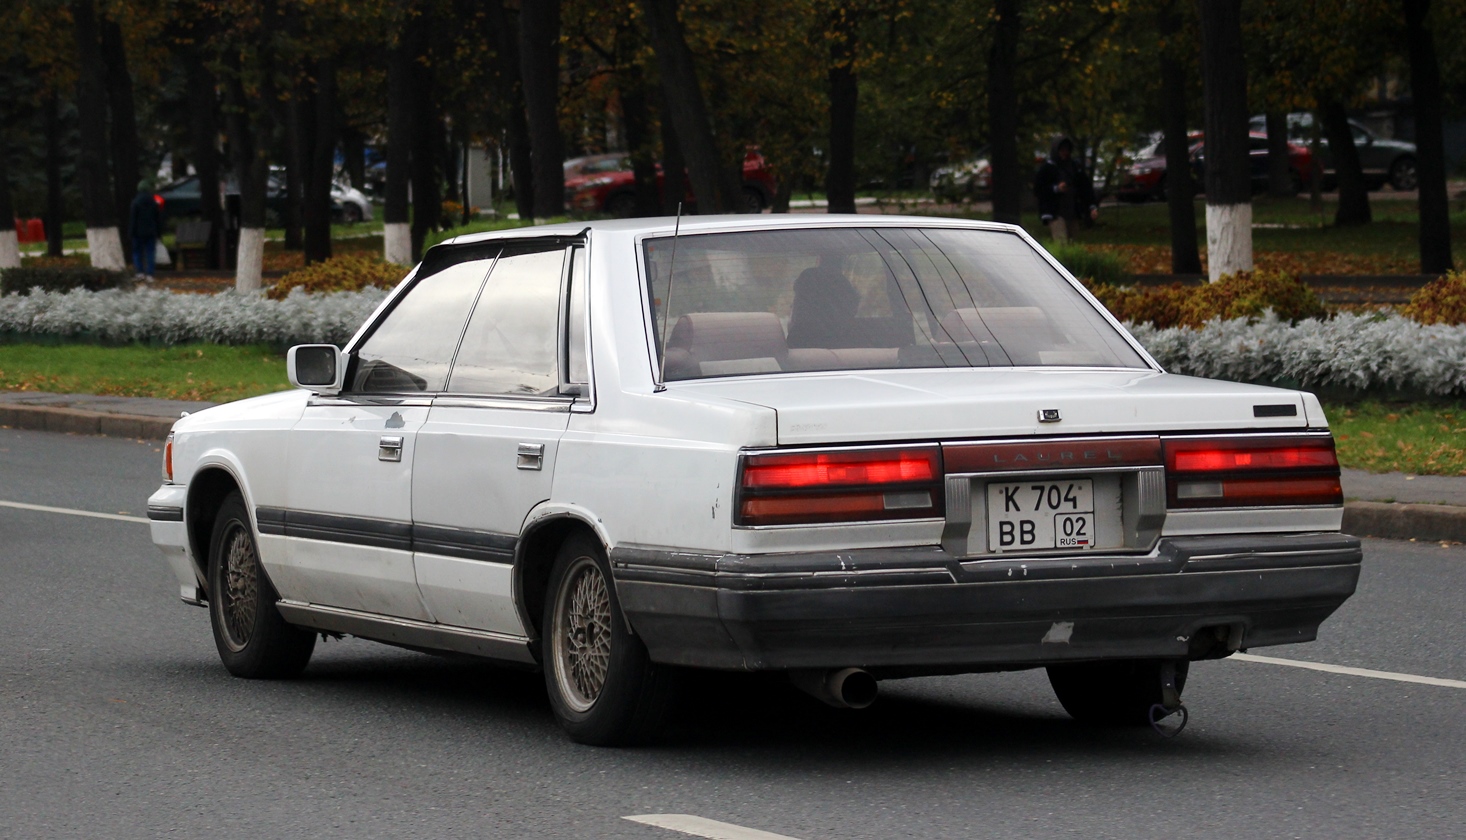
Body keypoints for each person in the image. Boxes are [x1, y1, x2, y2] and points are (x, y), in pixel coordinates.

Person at [1033, 137, 1097, 243]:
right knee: (1061, 241)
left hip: (1072, 211)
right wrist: (1056, 189)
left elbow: (1085, 188)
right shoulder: (1047, 168)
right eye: (1061, 150)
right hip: (1055, 212)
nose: (1064, 153)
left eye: (1066, 150)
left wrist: (1092, 206)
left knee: (1073, 242)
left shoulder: (1074, 167)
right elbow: (1039, 189)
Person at [129, 179, 163, 282]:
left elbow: (133, 219)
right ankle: (150, 274)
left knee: (137, 252)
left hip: (138, 233)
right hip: (151, 232)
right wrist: (158, 232)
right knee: (150, 253)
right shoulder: (154, 202)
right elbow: (157, 219)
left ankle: (139, 273)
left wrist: (131, 232)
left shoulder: (135, 202)